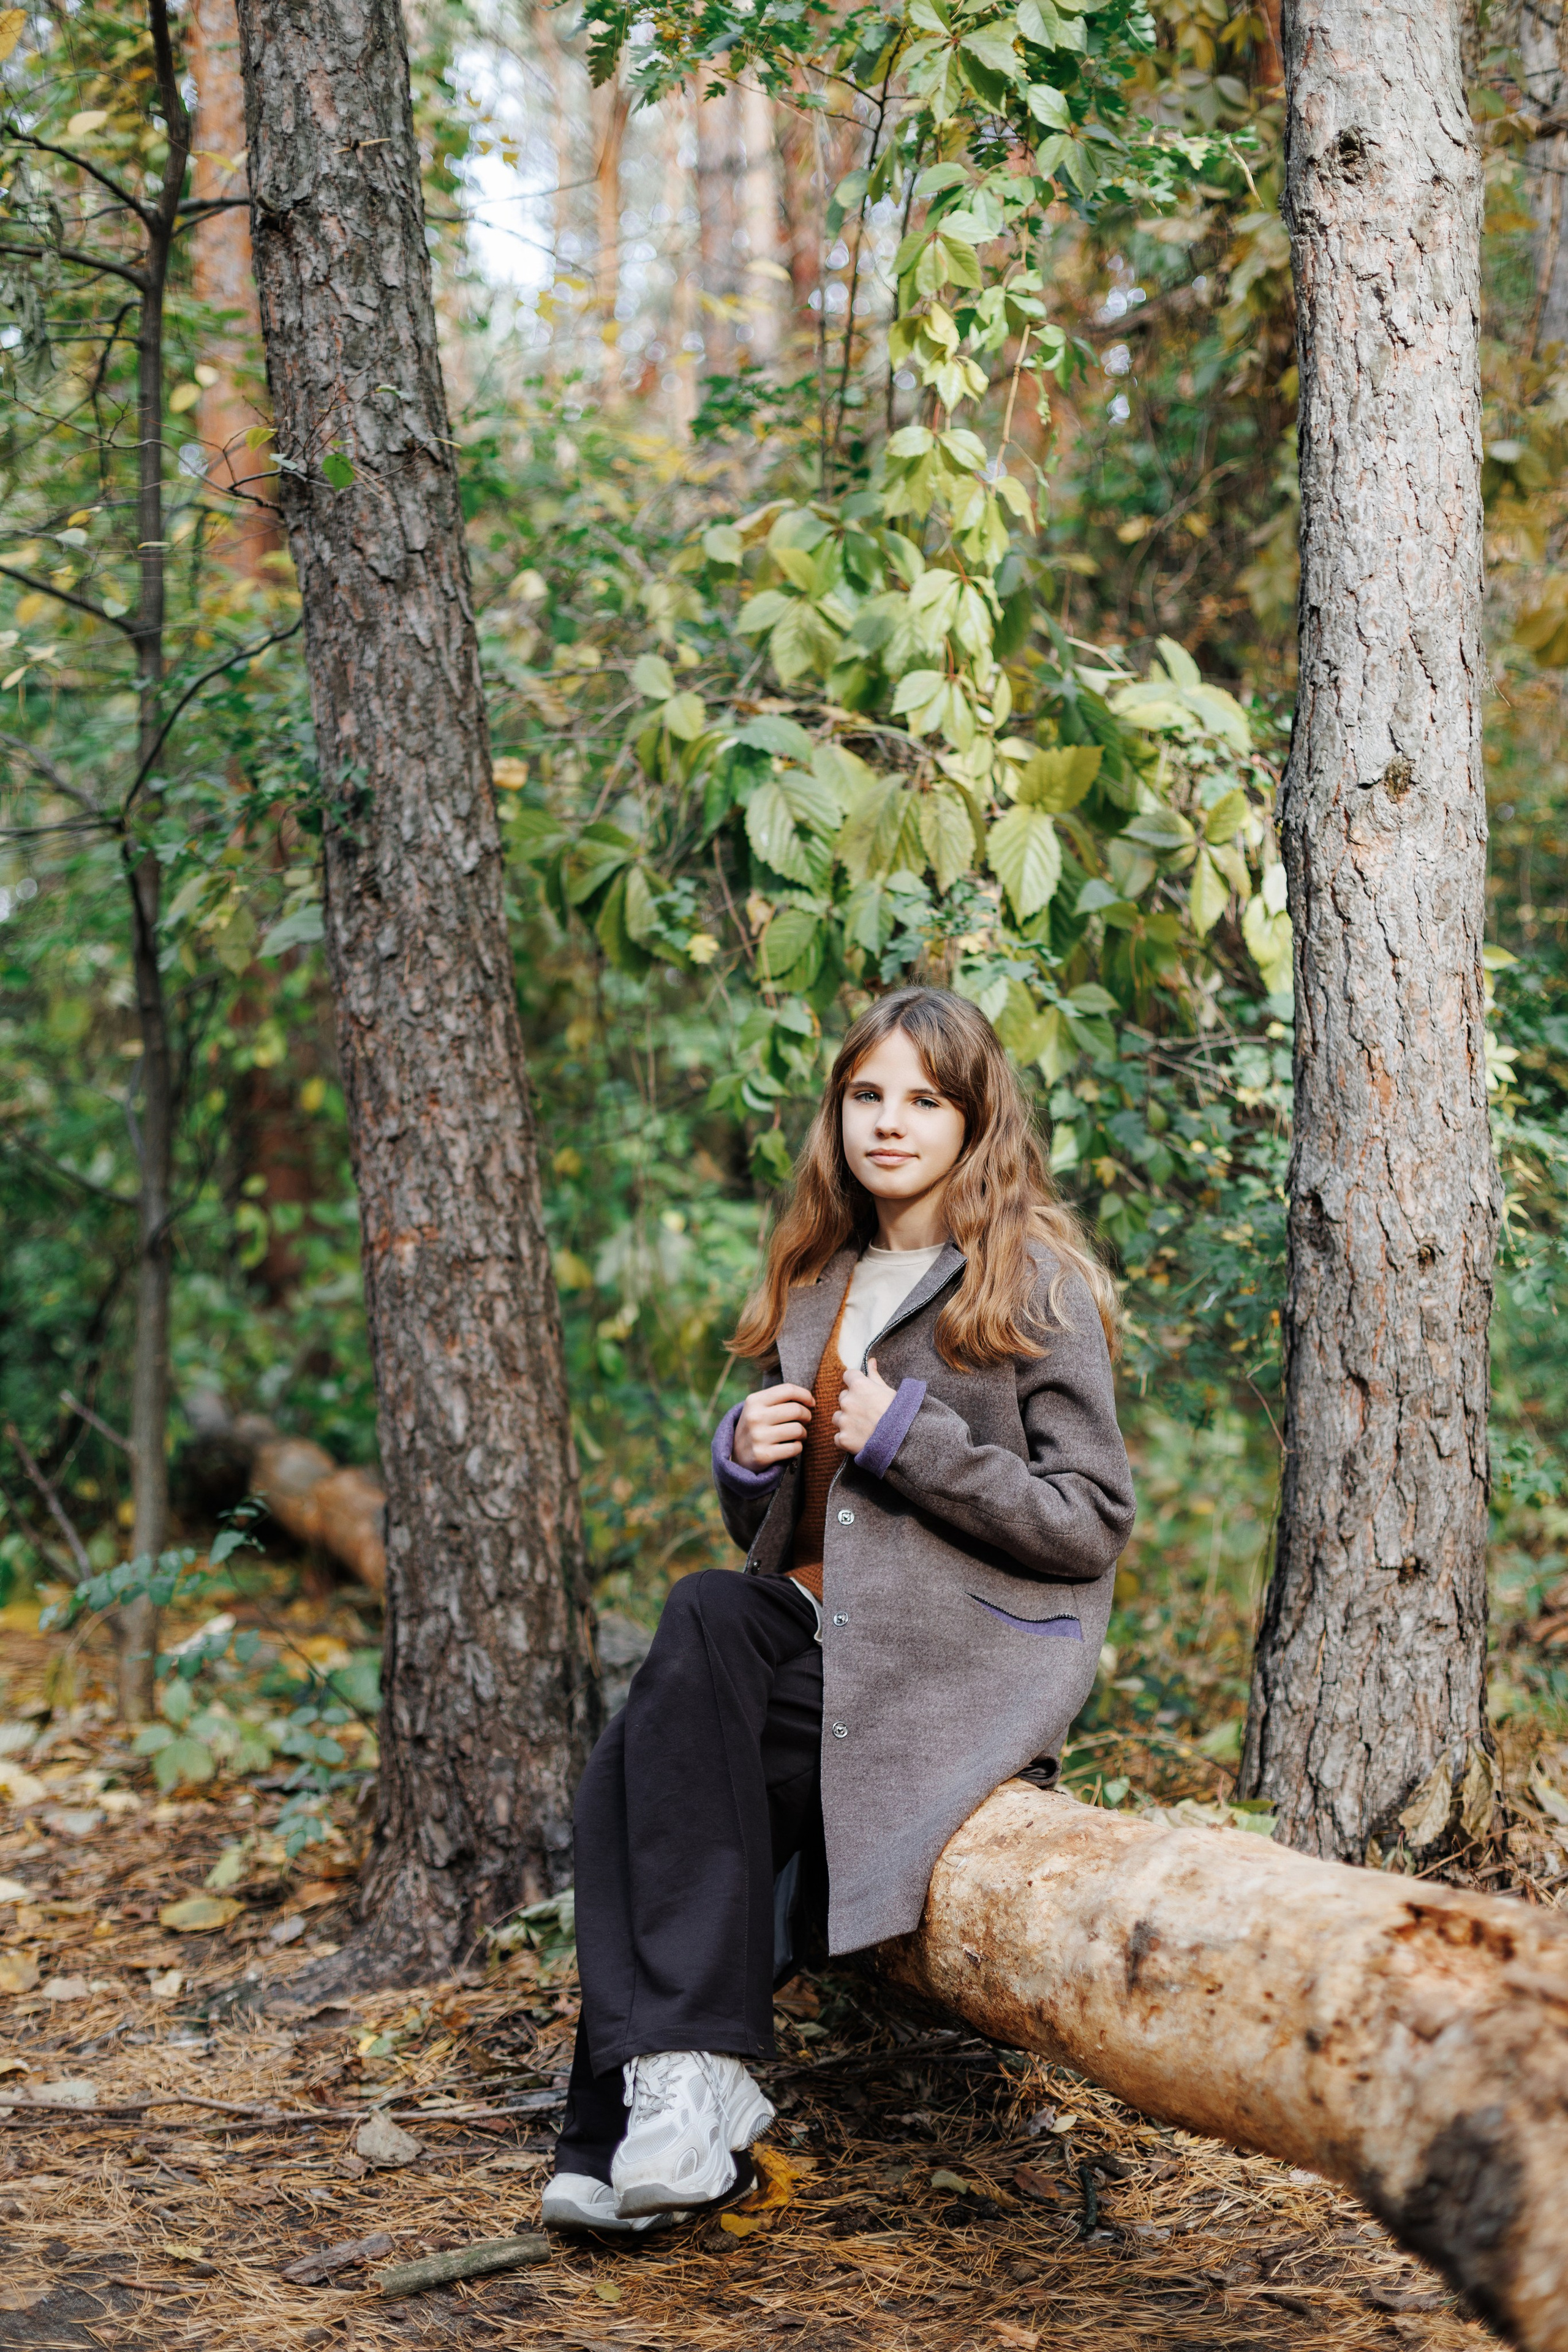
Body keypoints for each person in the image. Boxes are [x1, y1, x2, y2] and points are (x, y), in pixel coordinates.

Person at [544, 985, 1135, 2233]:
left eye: (924, 1100)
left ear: (974, 1124)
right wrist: (745, 1461)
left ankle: (616, 2128)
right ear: (838, 1114)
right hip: (817, 1628)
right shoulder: (818, 1276)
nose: (890, 1122)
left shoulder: (1034, 1283)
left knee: (642, 1763)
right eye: (867, 1095)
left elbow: (1088, 1520)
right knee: (697, 1632)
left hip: (951, 1655)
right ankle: (680, 2101)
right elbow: (804, 1534)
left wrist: (910, 1439)